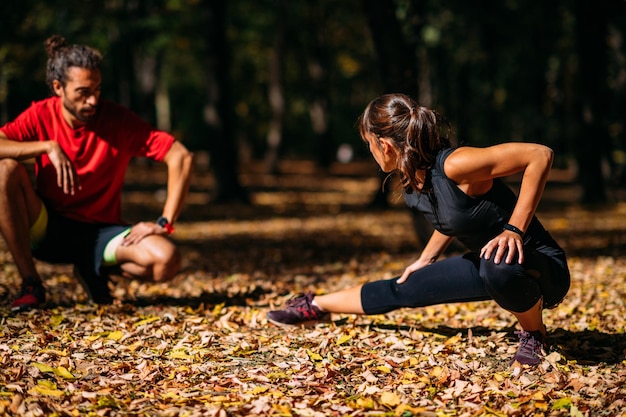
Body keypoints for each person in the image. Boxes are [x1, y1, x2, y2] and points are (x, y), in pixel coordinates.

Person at [268, 93, 570, 366]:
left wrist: (514, 229)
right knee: (404, 287)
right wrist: (426, 258)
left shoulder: (454, 164)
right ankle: (316, 305)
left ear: (384, 145)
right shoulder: (413, 178)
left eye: (369, 144)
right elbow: (456, 218)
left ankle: (534, 334)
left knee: (497, 266)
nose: (371, 152)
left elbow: (539, 154)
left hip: (541, 266)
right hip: (490, 264)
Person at [0, 35, 193, 311]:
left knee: (166, 260)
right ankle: (31, 283)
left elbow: (181, 156)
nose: (93, 100)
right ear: (58, 87)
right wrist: (45, 147)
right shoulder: (40, 115)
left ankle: (92, 271)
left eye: (98, 89)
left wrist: (164, 222)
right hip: (47, 227)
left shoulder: (116, 119)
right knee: (4, 169)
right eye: (83, 92)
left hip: (102, 234)